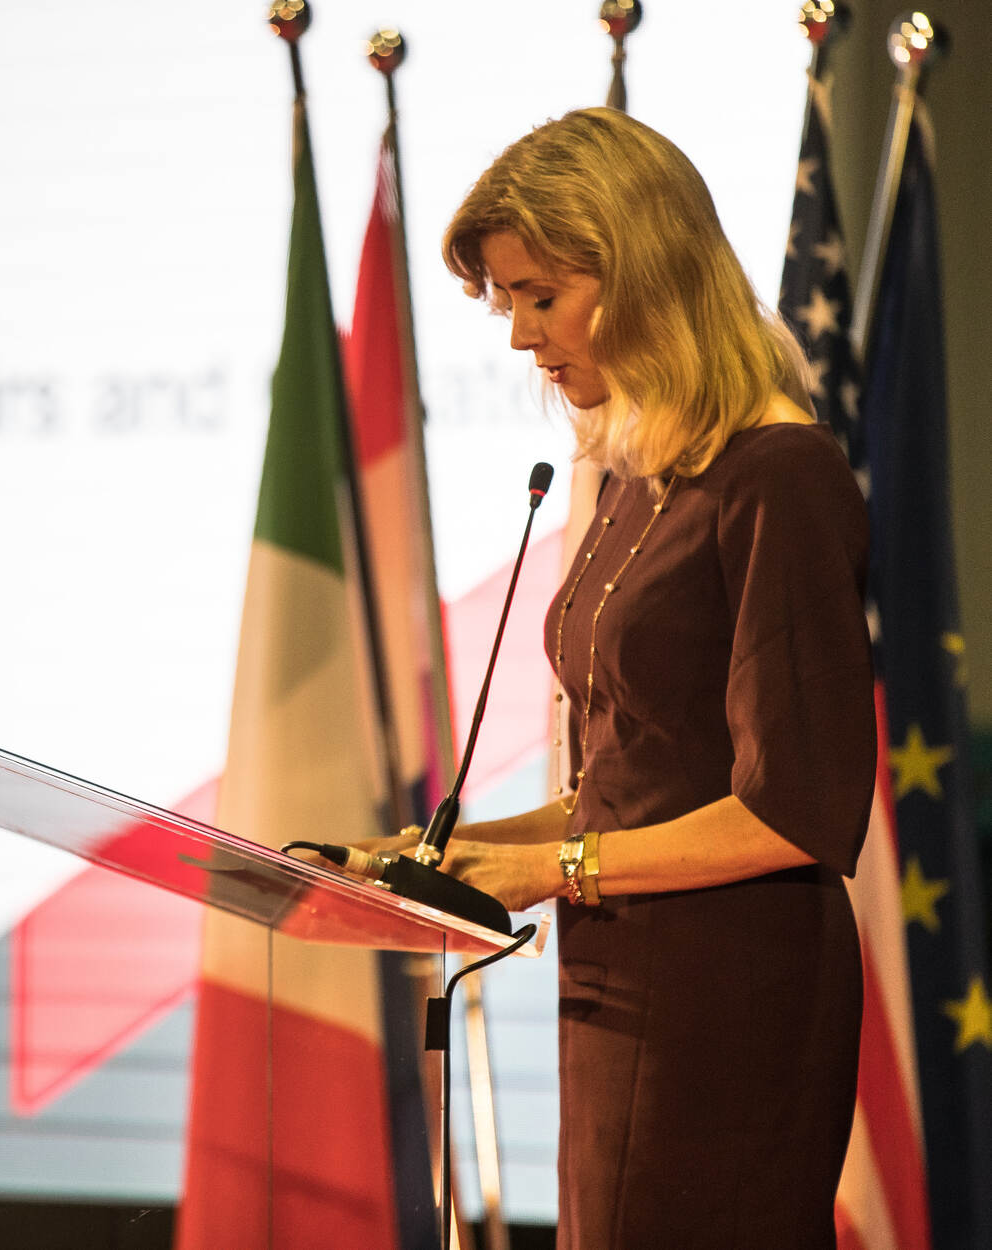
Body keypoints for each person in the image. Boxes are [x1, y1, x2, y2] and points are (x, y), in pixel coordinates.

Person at [371, 108, 876, 1249]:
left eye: (540, 296)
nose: (521, 337)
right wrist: (443, 855)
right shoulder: (647, 474)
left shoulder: (779, 475)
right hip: (619, 978)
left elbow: (793, 811)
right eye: (508, 303)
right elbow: (632, 784)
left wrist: (551, 868)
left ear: (641, 270)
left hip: (730, 995)